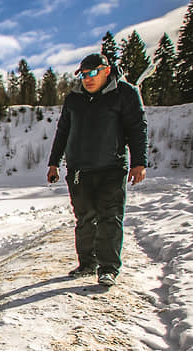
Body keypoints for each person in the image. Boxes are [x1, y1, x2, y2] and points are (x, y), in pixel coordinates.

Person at [46, 53, 148, 287]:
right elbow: (63, 131)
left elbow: (137, 128)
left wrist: (138, 163)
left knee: (109, 217)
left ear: (105, 70)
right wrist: (54, 162)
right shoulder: (74, 99)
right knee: (84, 219)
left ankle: (108, 268)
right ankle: (87, 264)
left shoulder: (125, 94)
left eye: (92, 73)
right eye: (83, 75)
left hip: (111, 167)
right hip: (79, 169)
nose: (87, 79)